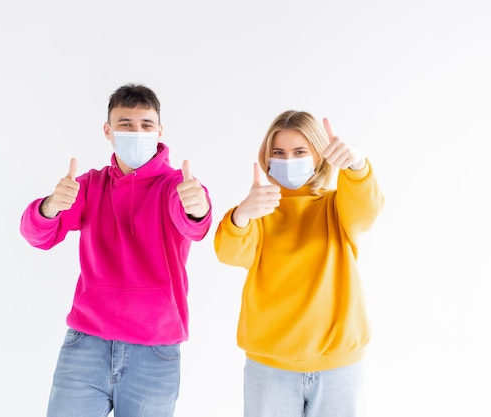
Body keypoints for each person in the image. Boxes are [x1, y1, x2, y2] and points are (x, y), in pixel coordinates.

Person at [20, 83, 212, 417]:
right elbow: (38, 235)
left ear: (159, 131)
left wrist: (197, 207)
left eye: (145, 125)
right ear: (108, 131)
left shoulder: (175, 186)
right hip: (86, 346)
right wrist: (50, 206)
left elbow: (194, 223)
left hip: (153, 353)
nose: (136, 132)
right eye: (125, 124)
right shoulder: (90, 186)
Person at [214, 110, 385, 417]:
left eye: (299, 152)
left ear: (319, 156)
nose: (288, 160)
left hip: (339, 368)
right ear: (267, 157)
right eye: (278, 152)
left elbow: (367, 208)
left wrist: (357, 165)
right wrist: (241, 214)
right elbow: (229, 253)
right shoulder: (259, 211)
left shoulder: (337, 206)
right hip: (270, 368)